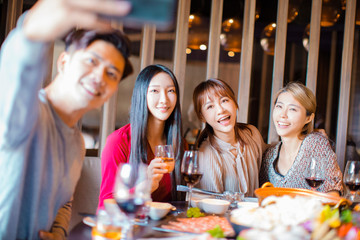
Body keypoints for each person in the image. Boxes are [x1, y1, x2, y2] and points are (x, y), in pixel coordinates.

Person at [0, 0, 133, 239]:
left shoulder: (77, 143)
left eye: (111, 73)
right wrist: (32, 33)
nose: (99, 76)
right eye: (92, 61)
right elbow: (17, 73)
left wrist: (59, 232)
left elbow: (63, 201)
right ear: (63, 62)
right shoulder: (28, 113)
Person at [98, 64, 185, 209]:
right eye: (155, 91)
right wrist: (143, 187)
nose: (164, 99)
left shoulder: (178, 143)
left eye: (170, 91)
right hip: (132, 226)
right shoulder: (119, 141)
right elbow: (105, 205)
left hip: (167, 227)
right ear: (142, 94)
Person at [259, 82, 343, 194]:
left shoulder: (315, 144)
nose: (283, 115)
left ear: (308, 118)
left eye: (292, 109)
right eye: (279, 106)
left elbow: (333, 194)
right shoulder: (269, 155)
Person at [192, 78, 267, 197]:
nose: (221, 110)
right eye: (210, 106)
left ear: (235, 103)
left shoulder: (252, 134)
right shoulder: (207, 154)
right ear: (202, 117)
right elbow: (213, 206)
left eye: (224, 100)